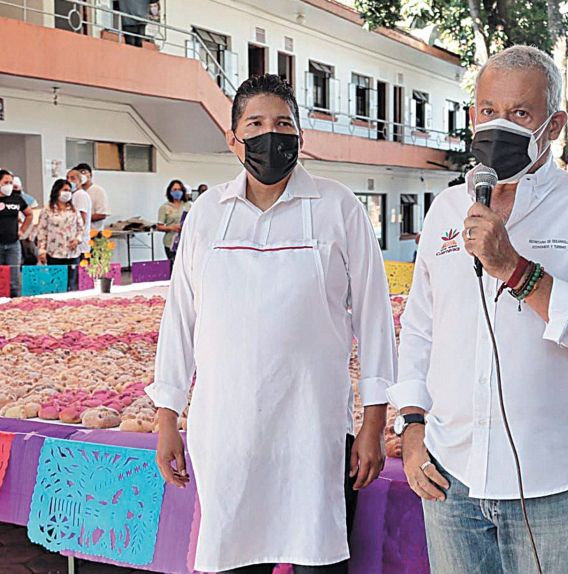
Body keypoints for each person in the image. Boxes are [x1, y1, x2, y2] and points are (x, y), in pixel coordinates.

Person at [387, 46, 568, 574]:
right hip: (451, 476)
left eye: (520, 113)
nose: (498, 126)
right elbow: (421, 329)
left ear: (554, 125)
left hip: (555, 486)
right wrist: (411, 424)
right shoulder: (447, 207)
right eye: (488, 110)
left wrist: (516, 270)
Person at [146, 74, 397, 574]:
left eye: (283, 124)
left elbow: (375, 317)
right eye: (256, 124)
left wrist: (372, 423)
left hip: (312, 430)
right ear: (232, 138)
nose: (270, 135)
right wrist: (167, 415)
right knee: (234, 557)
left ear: (301, 134)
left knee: (317, 557)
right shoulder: (207, 214)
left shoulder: (338, 207)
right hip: (227, 430)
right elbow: (180, 318)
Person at [0, 169, 32, 296]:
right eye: (6, 182)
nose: (9, 185)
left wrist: (22, 230)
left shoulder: (16, 199)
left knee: (14, 280)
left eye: (11, 182)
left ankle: (15, 302)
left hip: (13, 244)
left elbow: (29, 214)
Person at [36, 179, 85, 288]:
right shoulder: (47, 210)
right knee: (56, 285)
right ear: (57, 191)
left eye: (69, 190)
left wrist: (77, 240)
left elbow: (81, 228)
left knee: (72, 285)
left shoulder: (73, 210)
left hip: (72, 253)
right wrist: (42, 250)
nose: (67, 193)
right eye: (65, 190)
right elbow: (42, 231)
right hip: (54, 253)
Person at [65, 168, 92, 290]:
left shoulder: (80, 195)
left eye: (73, 178)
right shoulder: (73, 195)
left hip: (80, 241)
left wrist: (77, 237)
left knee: (78, 275)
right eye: (67, 178)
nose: (69, 180)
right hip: (73, 240)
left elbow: (82, 218)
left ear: (80, 181)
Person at [155, 180, 191, 265]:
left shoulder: (188, 205)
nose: (177, 192)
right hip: (170, 242)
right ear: (170, 192)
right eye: (175, 190)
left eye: (179, 189)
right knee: (174, 265)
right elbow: (159, 226)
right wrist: (172, 227)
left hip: (186, 241)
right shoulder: (164, 207)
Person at [73, 163, 110, 230]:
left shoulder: (98, 191)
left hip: (93, 232)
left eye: (83, 172)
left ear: (90, 175)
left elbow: (102, 214)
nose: (81, 175)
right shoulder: (74, 192)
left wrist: (82, 219)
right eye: (79, 174)